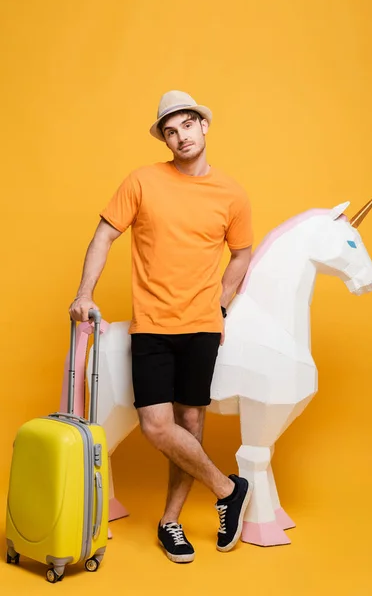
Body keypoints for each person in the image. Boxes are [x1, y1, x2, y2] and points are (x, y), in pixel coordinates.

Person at [69, 90, 254, 563]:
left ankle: (170, 522)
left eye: (187, 125)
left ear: (204, 126)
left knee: (191, 423)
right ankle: (228, 489)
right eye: (170, 131)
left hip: (202, 327)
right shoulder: (142, 181)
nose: (180, 136)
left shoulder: (231, 193)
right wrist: (84, 293)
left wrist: (222, 304)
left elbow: (242, 253)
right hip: (151, 325)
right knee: (158, 425)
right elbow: (104, 236)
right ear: (165, 139)